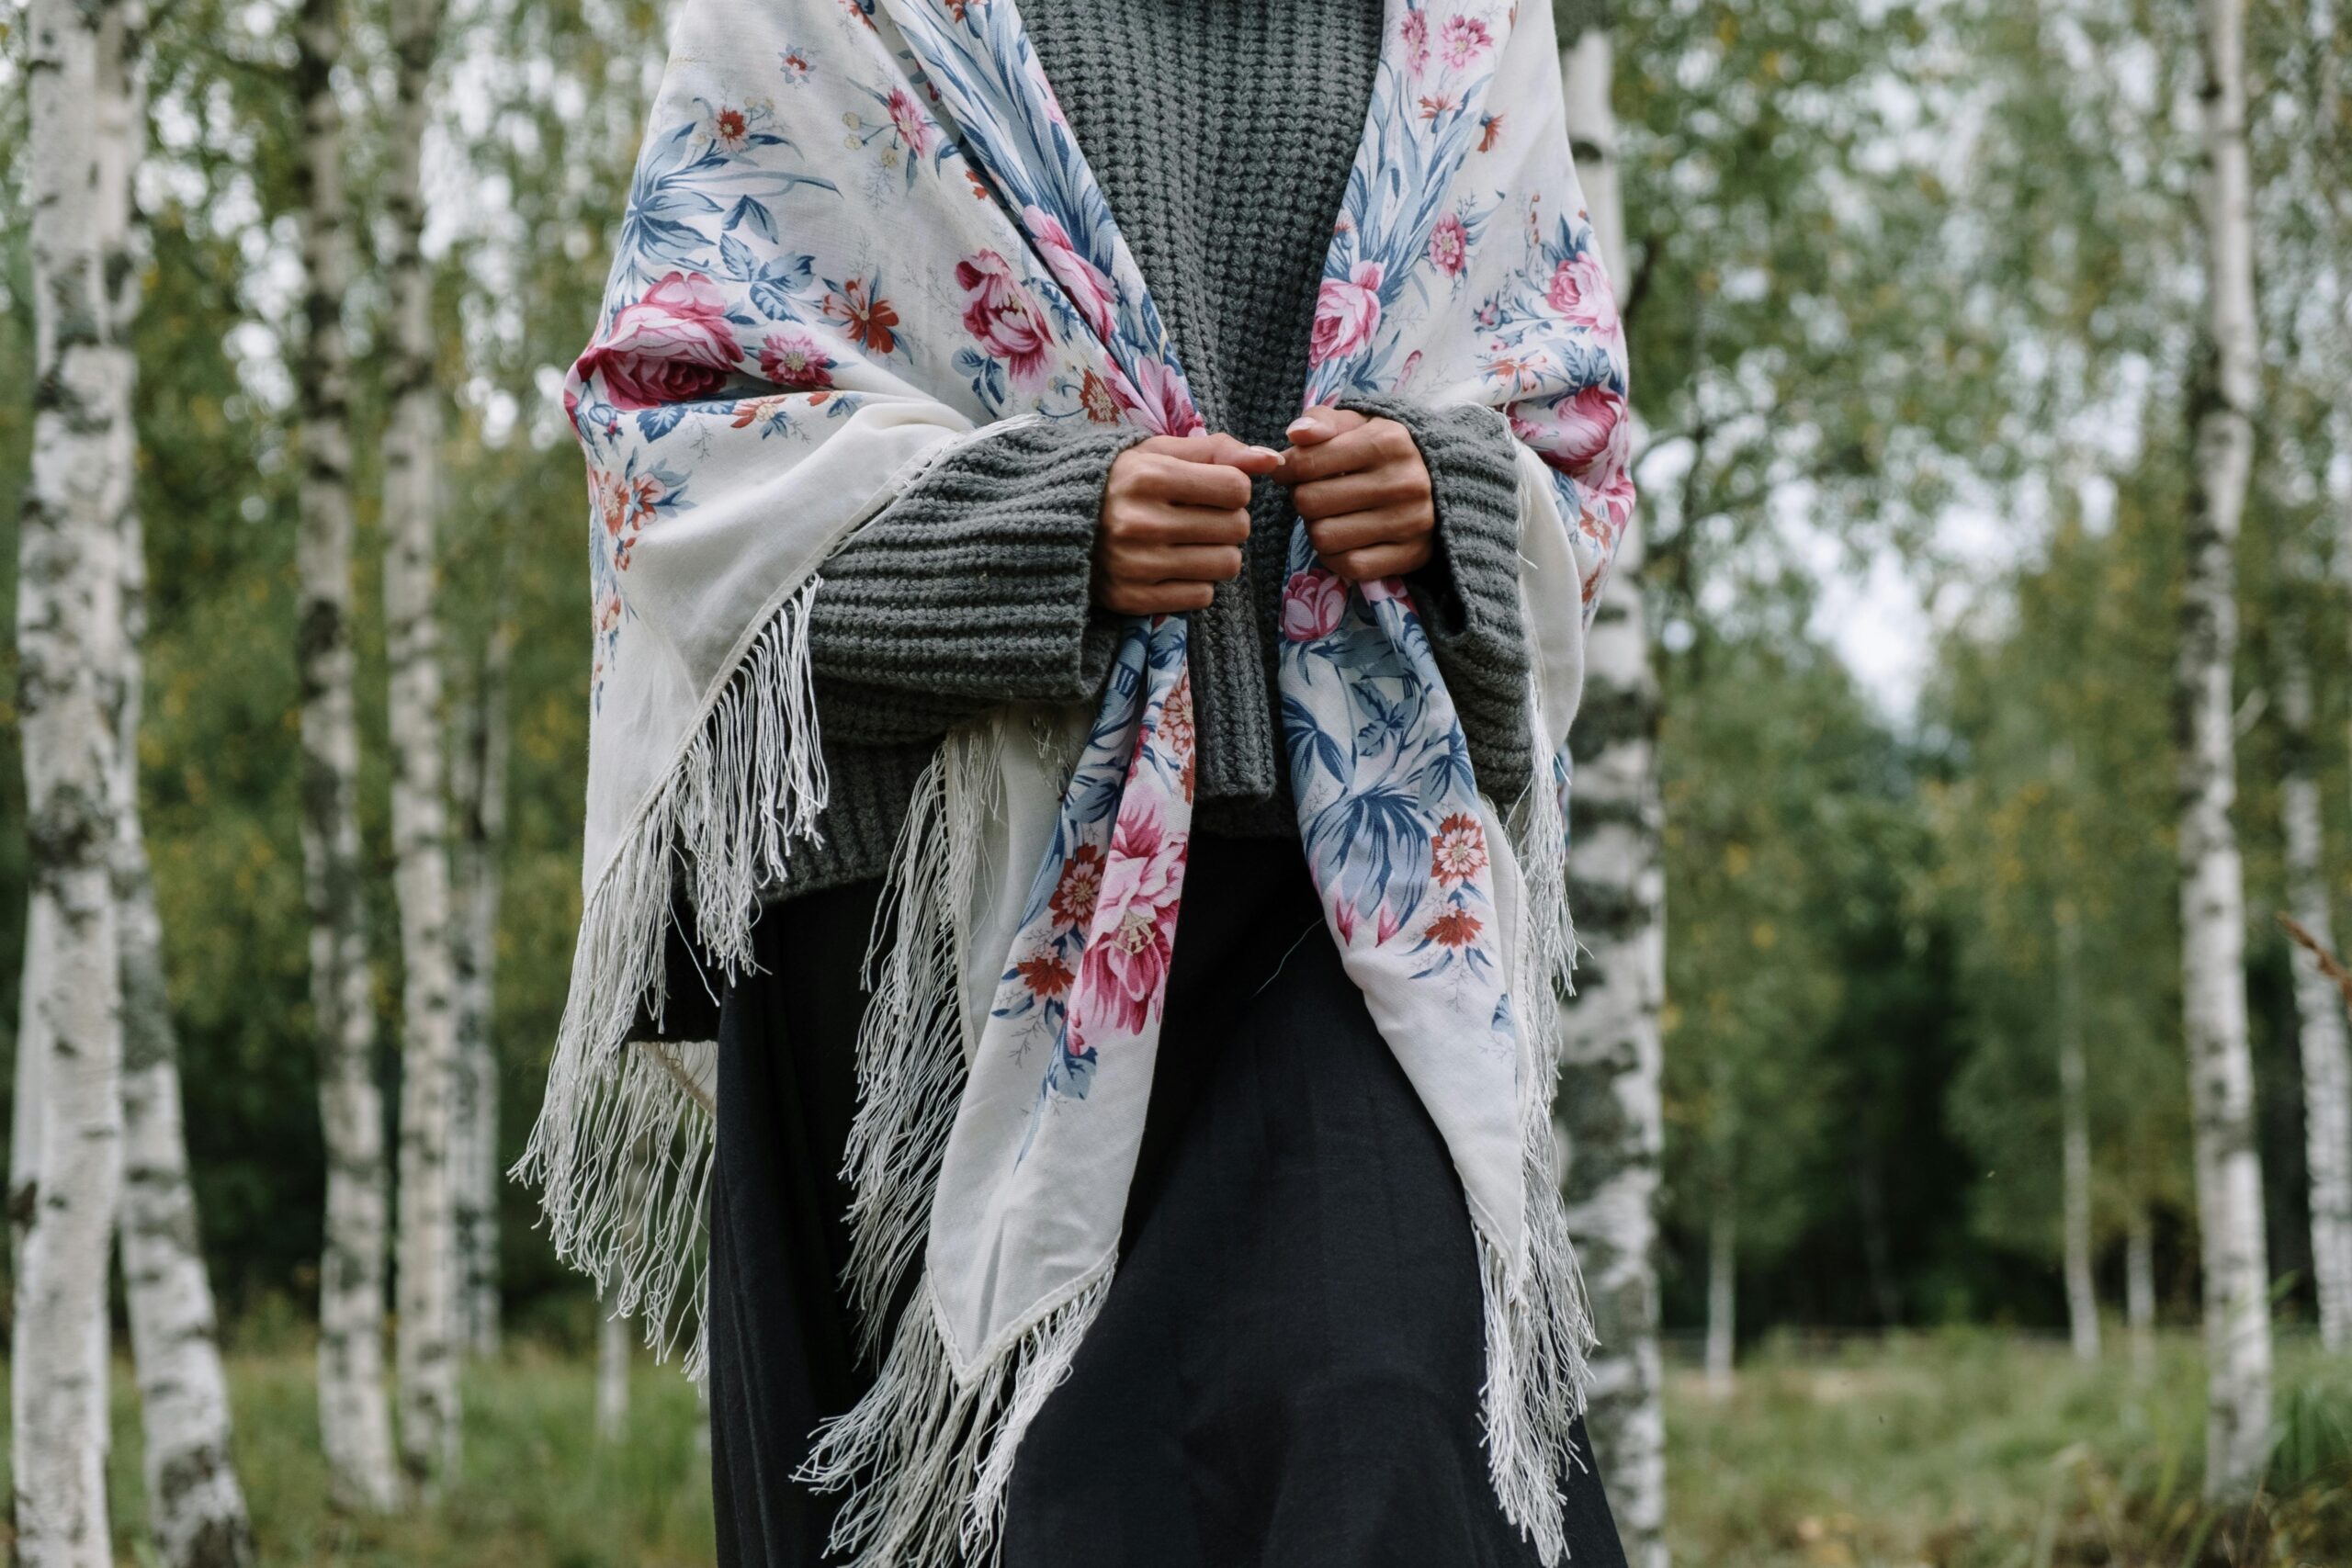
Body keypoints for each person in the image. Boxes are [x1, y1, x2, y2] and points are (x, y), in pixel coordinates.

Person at [526, 1, 1638, 1563]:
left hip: (1338, 894)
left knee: (1392, 1437)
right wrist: (1040, 535)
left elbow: (1563, 425)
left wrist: (1448, 498)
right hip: (932, 928)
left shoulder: (1463, 13)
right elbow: (673, 449)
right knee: (1018, 1520)